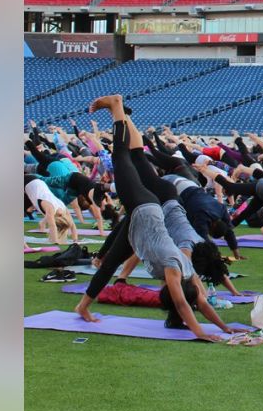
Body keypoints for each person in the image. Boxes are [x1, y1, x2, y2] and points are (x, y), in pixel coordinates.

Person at [73, 96, 242, 342]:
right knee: (122, 156)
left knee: (110, 263)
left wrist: (224, 328)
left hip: (144, 218)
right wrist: (202, 333)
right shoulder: (175, 270)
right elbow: (185, 305)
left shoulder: (187, 271)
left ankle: (83, 306)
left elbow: (201, 302)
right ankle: (116, 106)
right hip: (145, 208)